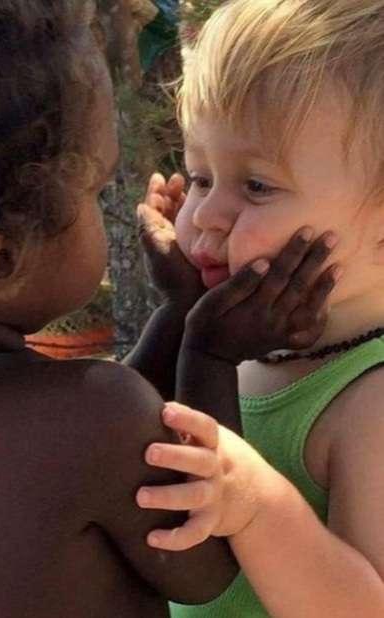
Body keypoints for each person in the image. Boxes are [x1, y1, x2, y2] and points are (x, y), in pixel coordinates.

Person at [0, 0, 337, 616]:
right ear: (0, 260)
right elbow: (206, 567)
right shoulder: (93, 413)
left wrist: (179, 309)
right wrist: (209, 352)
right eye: (95, 191)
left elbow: (82, 455)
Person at [136, 1, 384, 616]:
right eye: (199, 177)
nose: (204, 215)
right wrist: (182, 314)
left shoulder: (372, 400)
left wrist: (255, 507)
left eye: (256, 186)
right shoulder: (244, 345)